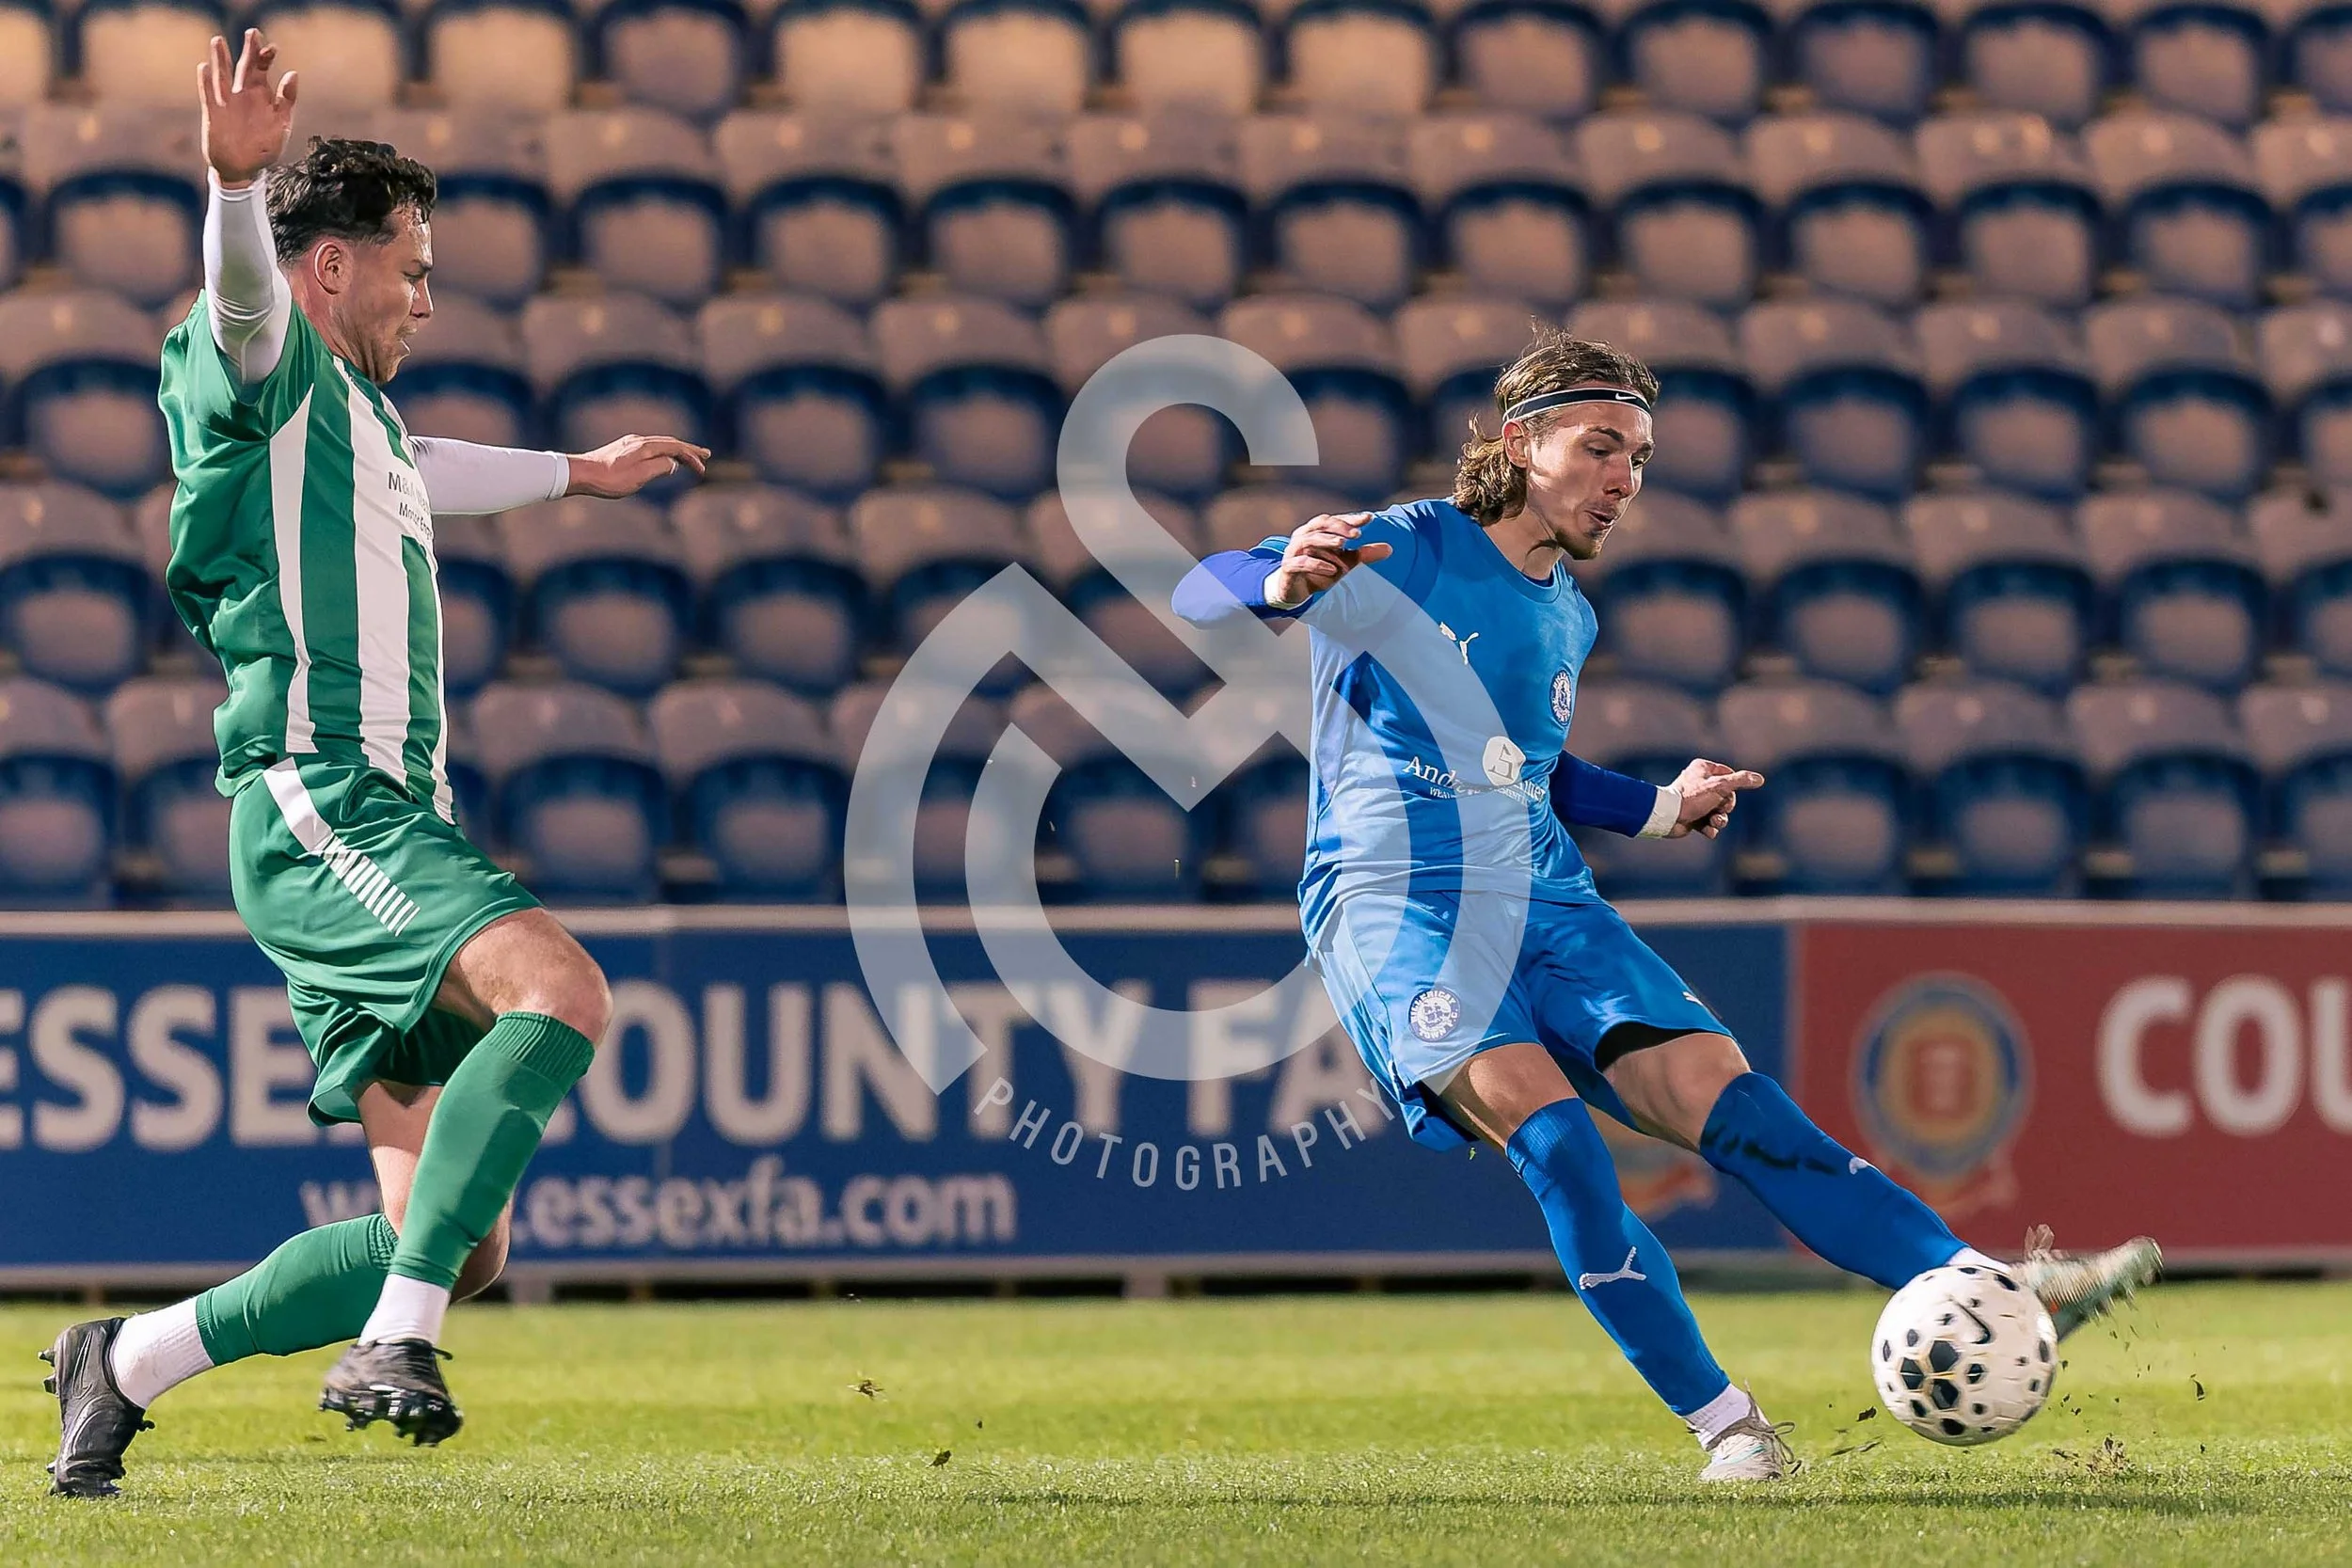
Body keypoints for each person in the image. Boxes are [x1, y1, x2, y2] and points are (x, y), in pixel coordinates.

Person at [1170, 326, 2161, 1481]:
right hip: (1399, 911)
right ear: (1520, 441)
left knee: (1740, 1110)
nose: (1623, 481)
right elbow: (1202, 587)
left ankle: (1981, 1281)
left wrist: (1655, 807)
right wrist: (1282, 578)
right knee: (1564, 1150)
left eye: (1637, 458)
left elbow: (1524, 765)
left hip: (1548, 900)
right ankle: (1730, 1427)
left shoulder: (1566, 615)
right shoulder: (1410, 546)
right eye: (1600, 448)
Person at [43, 30, 710, 1497]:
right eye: (411, 265)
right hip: (320, 796)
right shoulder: (261, 355)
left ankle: (130, 1357)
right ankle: (391, 1344)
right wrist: (233, 188)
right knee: (565, 987)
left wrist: (574, 472)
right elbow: (238, 299)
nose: (427, 292)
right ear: (331, 270)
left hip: (377, 813)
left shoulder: (357, 418)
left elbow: (426, 465)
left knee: (459, 1241)